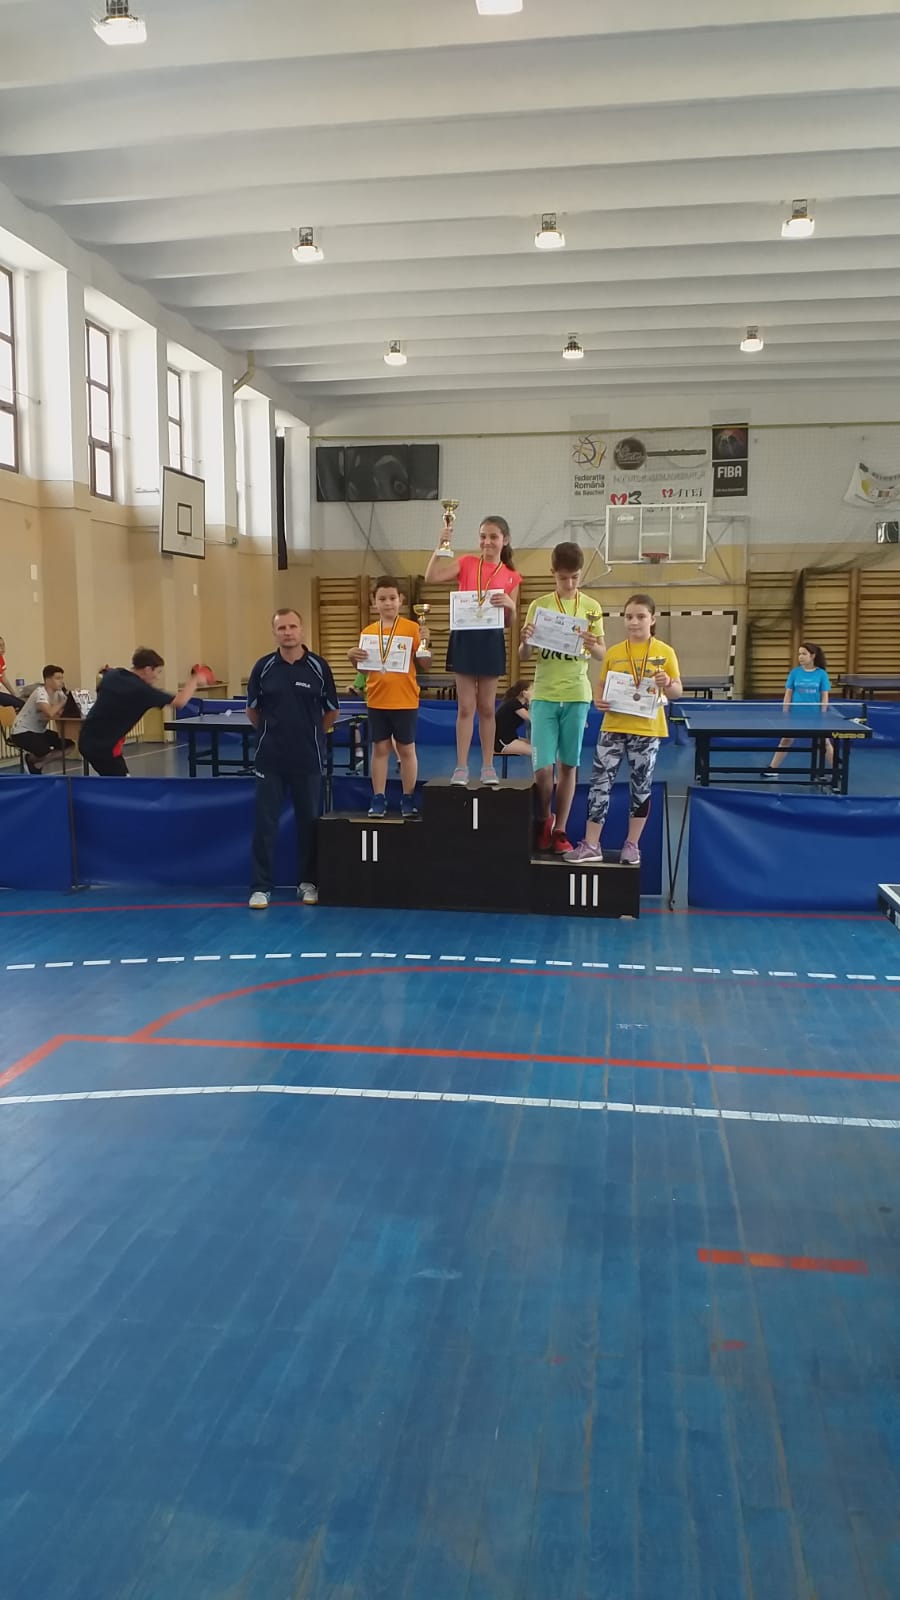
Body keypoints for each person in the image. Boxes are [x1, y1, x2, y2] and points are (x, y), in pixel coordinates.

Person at [570, 593, 682, 866]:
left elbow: (677, 691)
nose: (634, 622)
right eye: (629, 616)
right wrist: (599, 699)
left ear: (652, 619)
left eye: (641, 616)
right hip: (613, 727)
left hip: (647, 730)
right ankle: (592, 845)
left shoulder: (665, 652)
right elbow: (601, 684)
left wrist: (667, 682)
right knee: (599, 784)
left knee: (640, 788)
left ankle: (632, 845)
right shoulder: (614, 652)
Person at [247, 608, 339, 909]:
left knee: (309, 824)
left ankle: (308, 883)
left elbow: (331, 711)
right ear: (274, 633)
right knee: (265, 826)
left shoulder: (318, 667)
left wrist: (312, 734)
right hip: (270, 760)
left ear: (302, 629)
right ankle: (261, 887)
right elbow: (253, 710)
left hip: (308, 759)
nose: (287, 632)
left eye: (292, 626)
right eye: (282, 628)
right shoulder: (263, 668)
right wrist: (272, 733)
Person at [518, 541, 606, 854]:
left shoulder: (591, 607)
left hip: (576, 695)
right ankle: (544, 819)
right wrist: (526, 641)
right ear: (553, 573)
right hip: (544, 695)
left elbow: (602, 654)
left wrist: (593, 643)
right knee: (543, 769)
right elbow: (524, 654)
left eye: (575, 577)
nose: (569, 584)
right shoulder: (539, 606)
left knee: (568, 765)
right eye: (563, 577)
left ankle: (560, 830)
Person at [424, 514, 521, 785]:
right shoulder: (467, 563)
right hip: (464, 639)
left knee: (487, 707)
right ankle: (461, 766)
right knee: (466, 707)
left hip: (491, 641)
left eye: (493, 537)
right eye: (483, 536)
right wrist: (440, 547)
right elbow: (431, 577)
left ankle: (488, 766)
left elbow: (509, 622)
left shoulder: (512, 577)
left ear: (505, 540)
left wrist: (510, 606)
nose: (487, 542)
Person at [347, 576, 430, 819]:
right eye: (382, 599)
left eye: (392, 598)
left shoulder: (412, 628)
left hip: (405, 700)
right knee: (380, 749)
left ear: (400, 600)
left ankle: (408, 797)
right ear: (374, 602)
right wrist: (352, 657)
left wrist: (426, 643)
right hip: (377, 700)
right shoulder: (368, 632)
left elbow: (425, 664)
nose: (388, 603)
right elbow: (364, 670)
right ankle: (378, 797)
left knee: (406, 749)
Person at [79, 649, 199, 776]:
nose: (157, 677)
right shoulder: (143, 691)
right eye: (158, 672)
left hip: (86, 738)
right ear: (147, 669)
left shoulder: (113, 675)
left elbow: (102, 682)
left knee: (116, 779)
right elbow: (180, 701)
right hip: (104, 748)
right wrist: (196, 679)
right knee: (122, 784)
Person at [762, 641, 833, 780]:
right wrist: (785, 712)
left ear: (812, 656)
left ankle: (836, 770)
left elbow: (824, 696)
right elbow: (788, 693)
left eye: (804, 654)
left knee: (825, 743)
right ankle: (772, 768)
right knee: (785, 741)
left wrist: (823, 714)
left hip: (815, 715)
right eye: (799, 654)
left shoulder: (821, 674)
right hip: (795, 715)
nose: (800, 657)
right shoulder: (795, 673)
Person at [9, 665, 73, 773]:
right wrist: (63, 703)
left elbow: (60, 712)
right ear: (47, 680)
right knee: (44, 751)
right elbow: (49, 713)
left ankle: (37, 764)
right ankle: (30, 759)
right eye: (58, 678)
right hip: (21, 731)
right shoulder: (40, 693)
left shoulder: (59, 693)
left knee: (69, 745)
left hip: (39, 731)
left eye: (62, 678)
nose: (61, 681)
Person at [494, 680, 533, 761]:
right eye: (531, 689)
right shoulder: (514, 703)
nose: (533, 692)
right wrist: (530, 700)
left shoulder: (519, 704)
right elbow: (531, 718)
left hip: (510, 737)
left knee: (537, 747)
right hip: (502, 741)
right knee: (535, 751)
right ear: (524, 692)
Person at [0, 635, 24, 710]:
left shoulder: (1, 659)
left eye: (3, 645)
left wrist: (14, 694)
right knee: (20, 704)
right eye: (0, 646)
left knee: (21, 702)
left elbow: (3, 678)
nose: (3, 648)